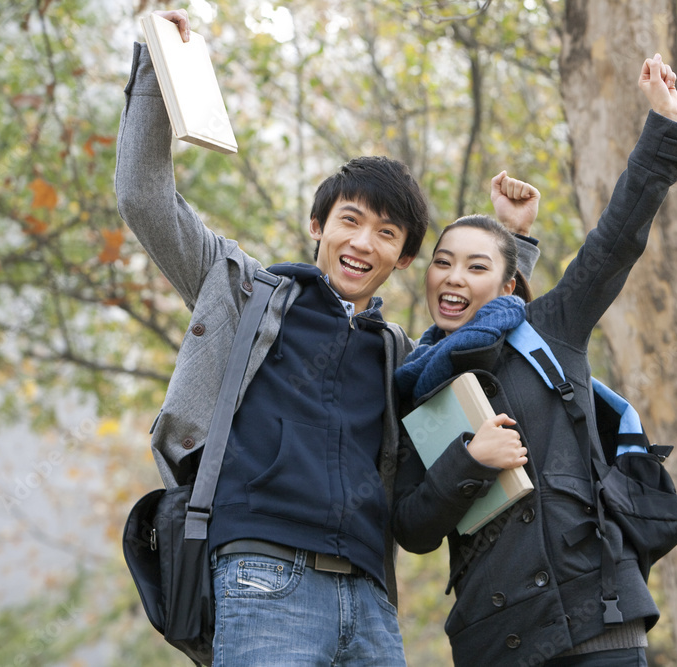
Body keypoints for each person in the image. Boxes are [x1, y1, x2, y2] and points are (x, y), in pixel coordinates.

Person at [114, 10, 540, 665]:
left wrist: (515, 245)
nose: (363, 241)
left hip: (370, 599)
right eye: (351, 219)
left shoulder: (398, 353)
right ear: (319, 224)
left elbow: (481, 338)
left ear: (402, 260)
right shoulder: (244, 291)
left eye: (388, 233)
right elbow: (143, 195)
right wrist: (157, 66)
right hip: (262, 579)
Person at [392, 54, 677, 667]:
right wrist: (469, 462)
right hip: (496, 640)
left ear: (510, 287)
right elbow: (412, 528)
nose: (453, 277)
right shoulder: (410, 382)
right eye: (444, 261)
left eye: (477, 266)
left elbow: (617, 239)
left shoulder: (549, 330)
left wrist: (663, 126)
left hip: (599, 620)